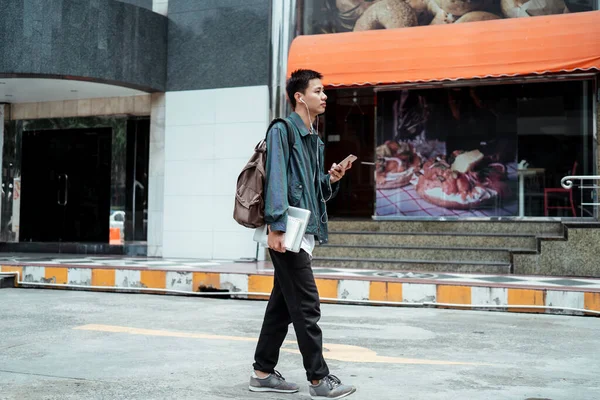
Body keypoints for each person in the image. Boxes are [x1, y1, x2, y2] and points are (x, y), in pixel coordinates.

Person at [249, 69, 357, 399]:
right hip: (287, 233)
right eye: (318, 91)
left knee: (282, 307)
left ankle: (262, 372)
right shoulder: (284, 130)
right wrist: (276, 226)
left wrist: (331, 179)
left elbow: (312, 190)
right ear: (300, 97)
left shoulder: (313, 138)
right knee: (307, 305)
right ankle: (318, 380)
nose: (324, 97)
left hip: (302, 231)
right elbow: (277, 178)